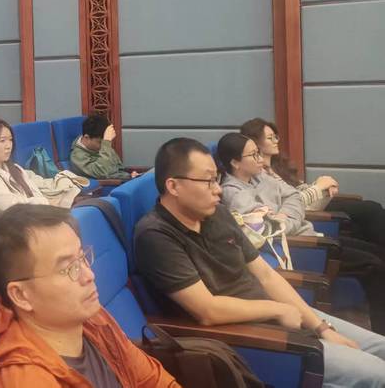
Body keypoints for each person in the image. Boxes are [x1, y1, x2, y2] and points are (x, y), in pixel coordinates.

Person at [134, 137, 385, 387]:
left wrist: (322, 328)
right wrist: (277, 310)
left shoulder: (217, 213)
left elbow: (265, 274)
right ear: (173, 186)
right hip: (252, 337)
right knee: (378, 374)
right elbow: (207, 310)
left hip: (279, 316)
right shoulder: (156, 235)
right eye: (208, 181)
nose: (218, 190)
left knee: (380, 347)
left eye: (217, 179)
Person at [0, 203, 179, 387]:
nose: (89, 275)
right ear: (21, 295)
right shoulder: (28, 380)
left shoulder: (91, 317)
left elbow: (153, 380)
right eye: (68, 268)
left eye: (82, 257)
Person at [217, 131, 385, 334]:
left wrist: (285, 217)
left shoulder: (259, 177)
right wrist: (287, 219)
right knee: (374, 265)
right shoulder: (234, 194)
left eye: (258, 152)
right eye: (253, 155)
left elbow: (294, 196)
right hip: (297, 248)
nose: (260, 159)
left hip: (307, 234)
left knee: (378, 250)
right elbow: (271, 230)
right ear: (235, 162)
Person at [241, 117, 385, 246]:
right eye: (270, 138)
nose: (276, 141)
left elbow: (297, 189)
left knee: (369, 215)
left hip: (313, 205)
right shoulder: (257, 175)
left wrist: (322, 186)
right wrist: (319, 187)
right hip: (306, 215)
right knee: (370, 210)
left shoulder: (276, 166)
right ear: (255, 143)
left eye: (276, 137)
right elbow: (291, 201)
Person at [0, 118, 79, 213]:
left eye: (10, 140)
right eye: (2, 140)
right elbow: (13, 206)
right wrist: (47, 204)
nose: (8, 146)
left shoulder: (14, 168)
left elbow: (34, 192)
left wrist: (46, 204)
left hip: (31, 214)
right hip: (11, 222)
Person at [69, 114, 135, 181]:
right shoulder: (77, 157)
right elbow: (101, 173)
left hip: (122, 180)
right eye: (100, 142)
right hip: (108, 185)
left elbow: (119, 167)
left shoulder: (100, 147)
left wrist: (129, 175)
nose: (102, 146)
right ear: (87, 137)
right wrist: (106, 143)